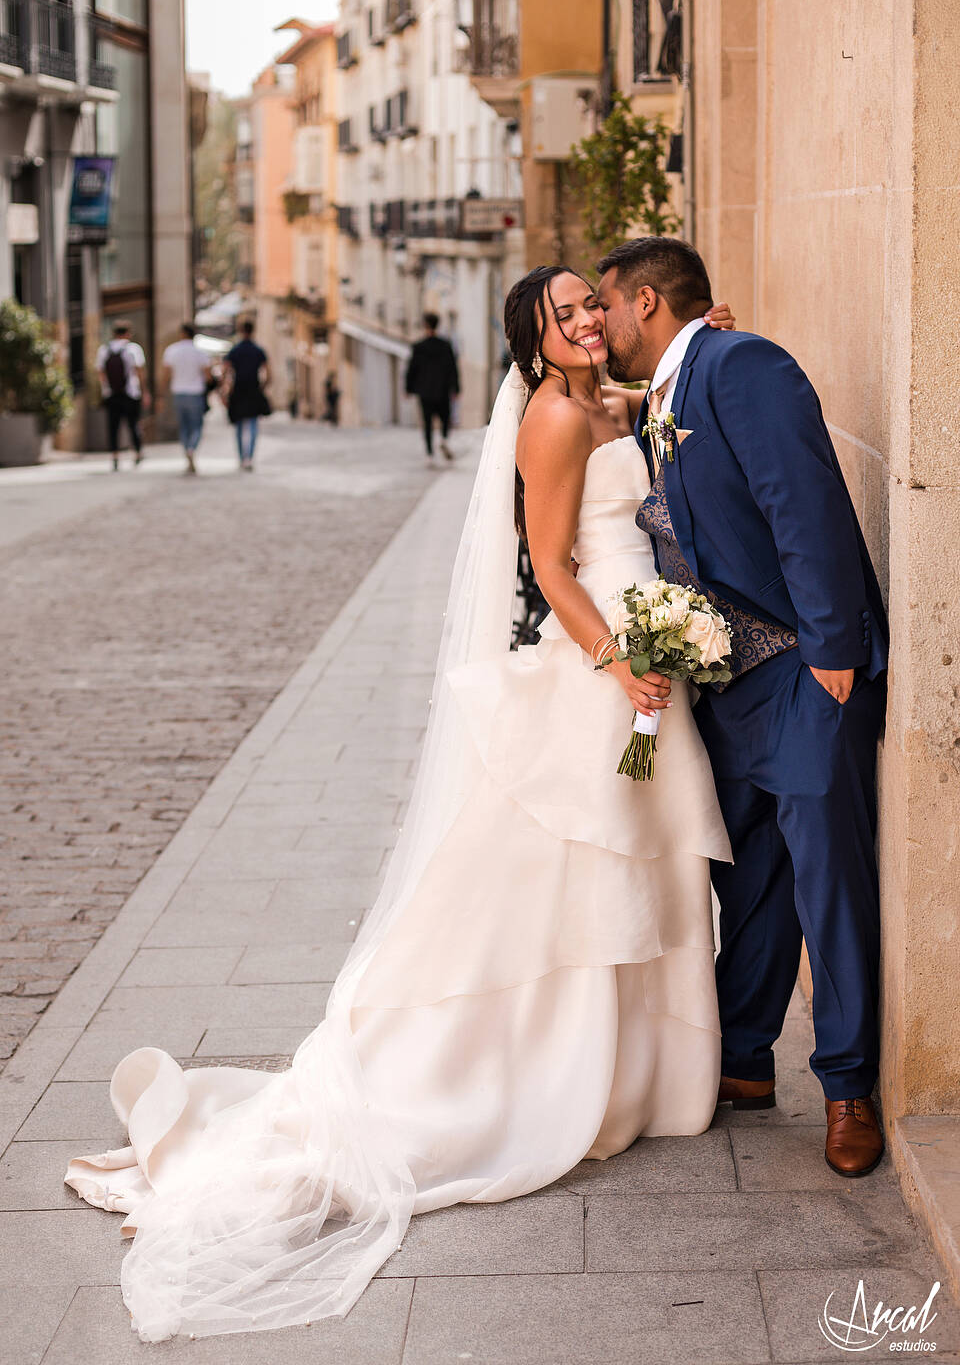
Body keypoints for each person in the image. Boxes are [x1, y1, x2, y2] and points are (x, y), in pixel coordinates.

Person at [65, 271, 736, 1342]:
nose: (582, 321)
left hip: (644, 637)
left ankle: (634, 1076)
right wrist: (617, 661)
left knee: (632, 850)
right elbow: (554, 567)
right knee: (582, 856)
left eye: (587, 305)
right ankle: (547, 1076)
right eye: (559, 316)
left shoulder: (616, 399)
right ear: (532, 343)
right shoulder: (559, 418)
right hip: (605, 653)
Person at [596, 236, 888, 1178]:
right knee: (749, 874)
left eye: (604, 306)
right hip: (726, 679)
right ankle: (745, 1059)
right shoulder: (672, 386)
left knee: (826, 877)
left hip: (802, 667)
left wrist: (835, 647)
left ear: (647, 303)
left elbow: (799, 499)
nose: (597, 325)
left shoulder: (742, 362)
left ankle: (848, 1085)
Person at [405, 312, 460, 461]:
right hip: (442, 390)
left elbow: (412, 369)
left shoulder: (418, 347)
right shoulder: (445, 345)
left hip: (425, 391)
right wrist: (456, 387)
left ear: (425, 325)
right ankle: (444, 439)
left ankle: (430, 453)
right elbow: (452, 367)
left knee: (427, 422)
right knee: (445, 417)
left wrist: (408, 388)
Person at [96, 321, 149, 471]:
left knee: (113, 426)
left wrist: (106, 388)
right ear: (128, 333)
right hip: (131, 393)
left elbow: (100, 372)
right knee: (133, 424)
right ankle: (137, 453)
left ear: (114, 334)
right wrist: (144, 391)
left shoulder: (104, 349)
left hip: (111, 394)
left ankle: (115, 456)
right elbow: (139, 371)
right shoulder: (133, 349)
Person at [161, 324, 211, 475]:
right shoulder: (200, 352)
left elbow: (166, 375)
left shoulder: (172, 350)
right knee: (197, 426)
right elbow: (208, 376)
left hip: (179, 393)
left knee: (183, 426)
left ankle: (187, 450)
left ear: (182, 334)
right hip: (195, 393)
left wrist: (161, 394)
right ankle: (191, 448)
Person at [224, 320, 270, 470]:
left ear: (241, 331)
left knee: (238, 426)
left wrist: (226, 389)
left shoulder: (235, 350)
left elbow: (226, 371)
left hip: (238, 390)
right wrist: (262, 387)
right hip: (253, 390)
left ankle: (241, 457)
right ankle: (249, 458)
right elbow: (269, 373)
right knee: (252, 426)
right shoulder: (258, 350)